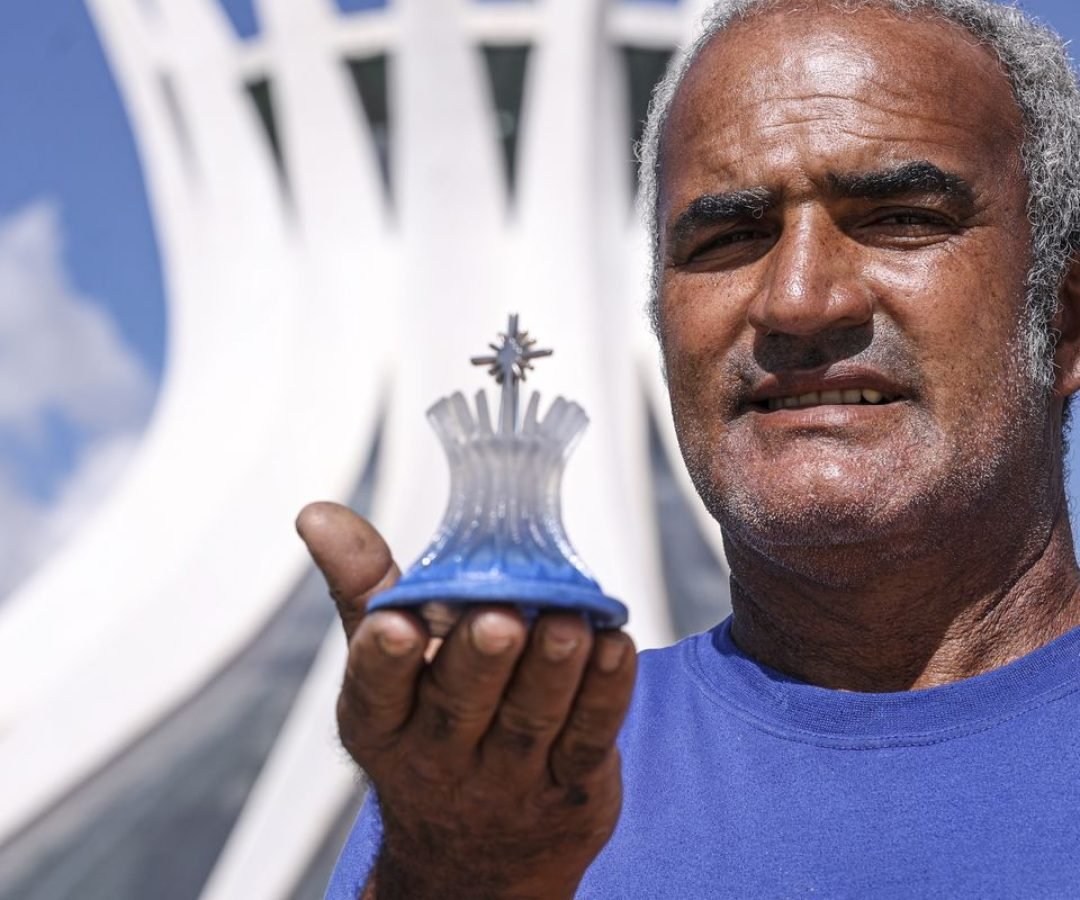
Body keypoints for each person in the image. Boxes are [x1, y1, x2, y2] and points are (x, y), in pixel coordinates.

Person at [298, 0, 1080, 895]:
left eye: (899, 218)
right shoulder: (514, 792)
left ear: (1065, 320)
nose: (797, 299)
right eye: (730, 237)